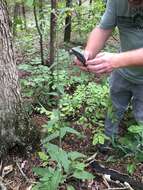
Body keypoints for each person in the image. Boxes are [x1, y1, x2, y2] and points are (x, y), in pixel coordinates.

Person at [75, 0, 143, 152]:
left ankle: (136, 155)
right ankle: (107, 143)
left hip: (125, 67)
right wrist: (89, 52)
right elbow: (103, 29)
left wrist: (117, 60)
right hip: (122, 72)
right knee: (114, 108)